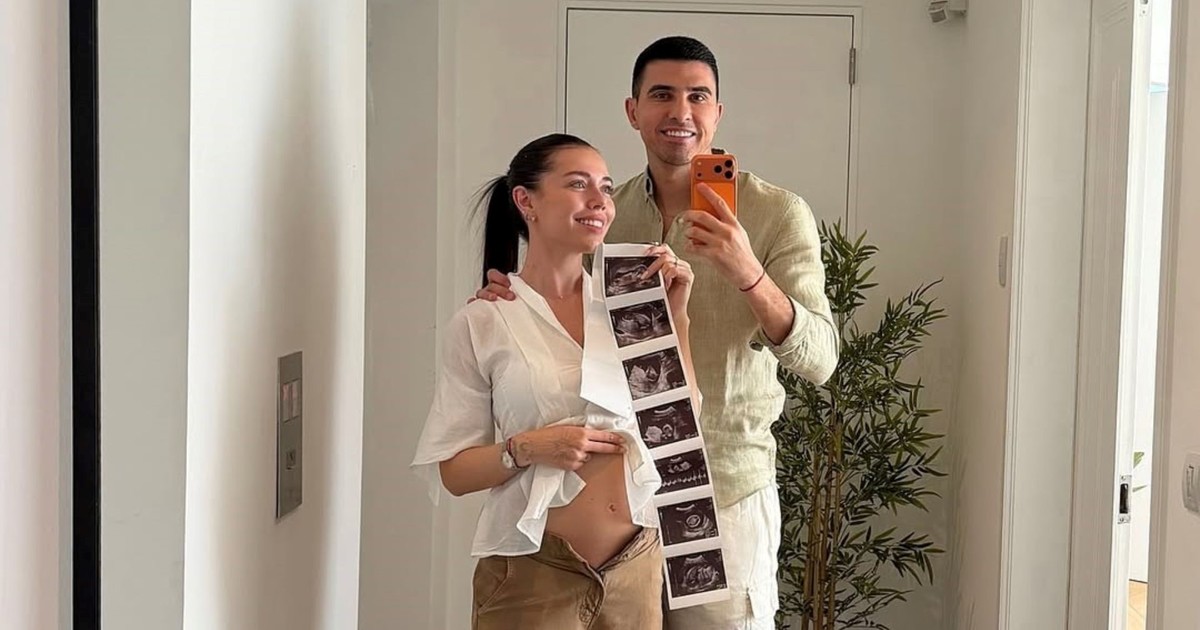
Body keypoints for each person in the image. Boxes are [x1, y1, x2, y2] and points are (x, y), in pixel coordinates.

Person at [475, 37, 839, 629]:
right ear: (633, 110)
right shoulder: (604, 212)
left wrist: (747, 272)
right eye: (662, 95)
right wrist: (508, 296)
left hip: (720, 496)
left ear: (718, 112)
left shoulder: (776, 214)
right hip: (618, 505)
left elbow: (820, 359)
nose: (680, 112)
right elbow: (558, 307)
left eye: (698, 97)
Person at [412, 132, 697, 629]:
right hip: (534, 575)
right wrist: (528, 448)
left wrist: (676, 316)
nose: (599, 202)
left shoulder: (629, 308)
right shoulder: (484, 321)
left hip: (635, 568)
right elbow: (454, 473)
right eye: (578, 184)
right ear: (526, 201)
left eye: (606, 188)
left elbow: (679, 426)